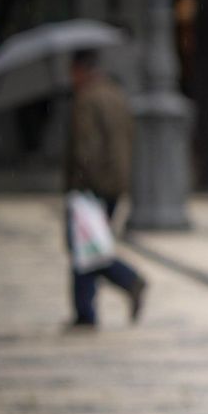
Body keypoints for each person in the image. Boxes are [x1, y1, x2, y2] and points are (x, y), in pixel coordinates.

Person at [63, 48, 146, 330]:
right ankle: (88, 309)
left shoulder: (87, 99)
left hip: (92, 187)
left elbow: (85, 149)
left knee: (85, 248)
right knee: (91, 246)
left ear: (80, 69)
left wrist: (82, 183)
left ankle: (126, 282)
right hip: (115, 184)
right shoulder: (116, 95)